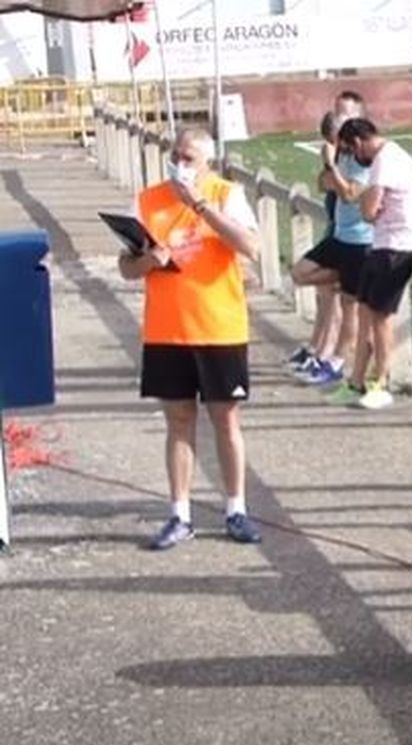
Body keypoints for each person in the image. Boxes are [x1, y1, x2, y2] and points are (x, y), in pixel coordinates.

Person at [119, 127, 263, 550]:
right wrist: (149, 259)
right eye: (175, 156)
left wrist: (201, 207)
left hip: (219, 327)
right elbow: (127, 267)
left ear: (206, 162)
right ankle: (179, 513)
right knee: (179, 421)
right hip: (168, 329)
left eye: (189, 159)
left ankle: (236, 508)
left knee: (226, 418)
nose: (180, 164)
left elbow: (250, 246)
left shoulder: (226, 194)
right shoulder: (148, 200)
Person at [331, 117, 412, 411]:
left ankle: (382, 381)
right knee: (364, 309)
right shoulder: (385, 160)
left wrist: (369, 207)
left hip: (399, 246)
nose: (352, 157)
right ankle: (356, 380)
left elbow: (368, 210)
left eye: (350, 150)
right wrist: (369, 208)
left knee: (380, 316)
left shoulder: (385, 161)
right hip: (382, 244)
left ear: (359, 142)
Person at [288, 105, 371, 387]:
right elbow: (323, 184)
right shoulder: (342, 159)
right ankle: (343, 277)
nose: (337, 145)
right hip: (339, 237)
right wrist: (330, 167)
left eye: (339, 139)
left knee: (349, 307)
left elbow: (349, 194)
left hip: (361, 240)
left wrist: (333, 169)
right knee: (300, 272)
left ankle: (335, 361)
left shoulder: (363, 162)